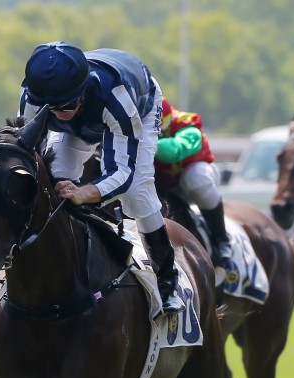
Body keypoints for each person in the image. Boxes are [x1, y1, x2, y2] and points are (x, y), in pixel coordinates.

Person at [19, 41, 185, 316]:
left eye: (66, 106)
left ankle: (167, 280)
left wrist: (84, 193)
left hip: (138, 108)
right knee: (57, 179)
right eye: (51, 108)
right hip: (89, 112)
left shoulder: (117, 99)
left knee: (137, 191)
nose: (59, 114)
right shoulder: (32, 97)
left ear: (83, 92)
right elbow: (27, 154)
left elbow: (122, 173)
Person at [155, 97, 232, 270]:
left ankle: (221, 238)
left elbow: (175, 150)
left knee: (195, 178)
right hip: (161, 185)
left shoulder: (188, 124)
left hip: (192, 180)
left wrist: (146, 142)